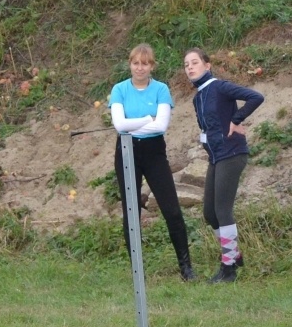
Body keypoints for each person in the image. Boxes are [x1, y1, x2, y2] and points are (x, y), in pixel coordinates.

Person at [110, 45, 194, 281]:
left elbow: (161, 126)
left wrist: (133, 123)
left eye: (145, 64)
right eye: (136, 63)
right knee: (131, 211)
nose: (140, 68)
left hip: (154, 152)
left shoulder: (161, 89)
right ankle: (137, 269)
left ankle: (186, 267)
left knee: (172, 210)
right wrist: (148, 118)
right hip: (127, 151)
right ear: (130, 65)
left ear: (152, 66)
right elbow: (119, 125)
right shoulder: (120, 89)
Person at [182, 48, 264, 284]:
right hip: (215, 157)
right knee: (209, 213)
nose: (190, 67)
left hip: (232, 153)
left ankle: (228, 270)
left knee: (222, 211)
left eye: (195, 62)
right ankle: (234, 255)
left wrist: (236, 120)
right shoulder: (198, 97)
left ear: (207, 65)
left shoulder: (219, 86)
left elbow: (255, 97)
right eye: (186, 64)